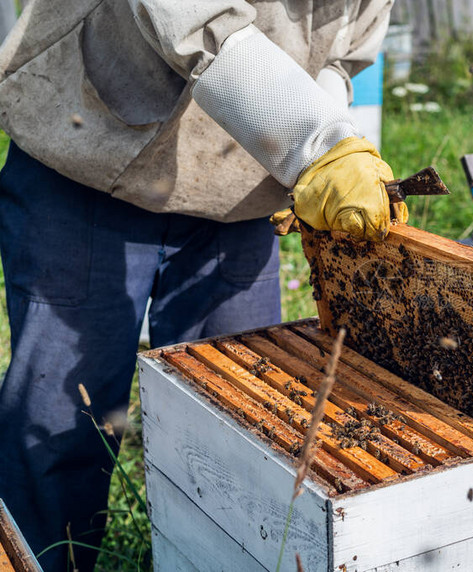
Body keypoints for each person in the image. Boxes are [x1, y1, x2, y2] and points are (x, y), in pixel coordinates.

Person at [0, 1, 405, 570]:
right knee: (61, 424)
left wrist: (333, 142)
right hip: (87, 157)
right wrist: (317, 144)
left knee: (243, 429)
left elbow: (340, 55)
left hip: (240, 195)